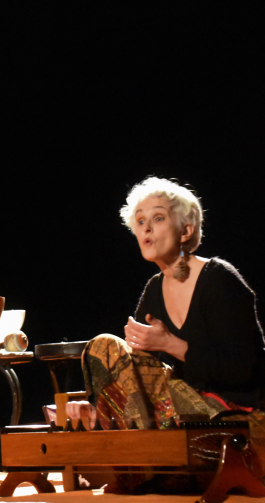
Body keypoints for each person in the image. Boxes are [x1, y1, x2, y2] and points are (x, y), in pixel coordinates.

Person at [82, 177, 265, 492]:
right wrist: (97, 400)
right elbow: (135, 371)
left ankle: (149, 464)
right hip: (176, 412)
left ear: (186, 230)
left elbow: (243, 369)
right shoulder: (154, 290)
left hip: (231, 412)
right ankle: (145, 460)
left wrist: (172, 345)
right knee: (103, 347)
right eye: (140, 222)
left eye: (158, 218)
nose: (147, 229)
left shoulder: (219, 279)